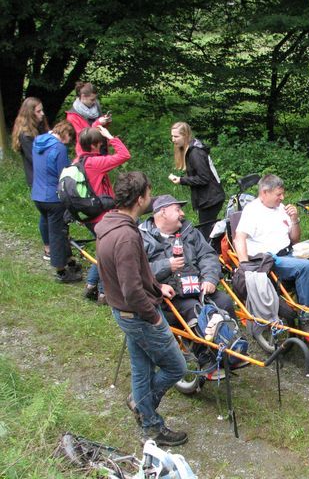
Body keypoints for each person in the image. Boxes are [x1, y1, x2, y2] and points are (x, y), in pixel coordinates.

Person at [95, 172, 188, 446]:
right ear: (139, 199)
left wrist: (157, 287)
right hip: (136, 313)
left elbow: (139, 269)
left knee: (141, 368)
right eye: (149, 193)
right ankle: (148, 417)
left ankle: (142, 406)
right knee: (176, 367)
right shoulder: (125, 235)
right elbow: (131, 288)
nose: (152, 197)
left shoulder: (112, 223)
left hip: (124, 311)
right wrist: (153, 317)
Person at [234, 174, 309, 330]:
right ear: (265, 192)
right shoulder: (252, 210)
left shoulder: (281, 208)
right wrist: (244, 265)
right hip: (269, 259)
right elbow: (239, 238)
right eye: (278, 194)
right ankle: (306, 316)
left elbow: (295, 239)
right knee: (305, 266)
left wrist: (294, 219)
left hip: (290, 252)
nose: (282, 197)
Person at [139, 194, 237, 327]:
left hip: (199, 287)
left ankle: (233, 341)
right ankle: (207, 347)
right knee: (195, 310)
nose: (182, 213)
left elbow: (207, 255)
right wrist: (166, 266)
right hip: (171, 297)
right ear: (163, 212)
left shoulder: (190, 232)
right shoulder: (142, 238)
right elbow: (137, 270)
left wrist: (209, 277)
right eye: (177, 209)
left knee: (224, 301)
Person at [77, 126, 131, 304]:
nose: (102, 146)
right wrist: (111, 136)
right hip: (101, 216)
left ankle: (92, 285)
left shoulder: (79, 160)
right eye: (101, 144)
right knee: (109, 253)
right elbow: (124, 155)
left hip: (89, 213)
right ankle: (103, 293)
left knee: (102, 250)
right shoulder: (95, 163)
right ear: (94, 145)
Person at [31, 121, 82, 283]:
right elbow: (63, 173)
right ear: (65, 133)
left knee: (55, 228)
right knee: (58, 233)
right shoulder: (58, 147)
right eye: (70, 138)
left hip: (38, 194)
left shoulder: (38, 141)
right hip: (53, 197)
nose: (68, 143)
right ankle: (61, 271)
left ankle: (69, 260)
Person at [169, 122, 225, 240]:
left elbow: (204, 178)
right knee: (208, 231)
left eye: (176, 136)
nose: (173, 139)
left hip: (211, 199)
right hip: (208, 198)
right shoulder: (191, 148)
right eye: (172, 136)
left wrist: (181, 180)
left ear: (186, 135)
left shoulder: (195, 153)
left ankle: (211, 255)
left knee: (206, 235)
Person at [12, 97, 51, 260]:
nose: (42, 114)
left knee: (52, 212)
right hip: (37, 178)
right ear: (30, 113)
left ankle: (56, 240)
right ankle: (48, 246)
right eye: (38, 111)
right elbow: (35, 159)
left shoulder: (40, 126)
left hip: (47, 175)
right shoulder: (25, 135)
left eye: (42, 110)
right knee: (46, 212)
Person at [66, 81, 112, 157]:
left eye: (95, 99)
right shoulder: (72, 116)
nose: (94, 102)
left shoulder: (96, 105)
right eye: (92, 99)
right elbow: (83, 138)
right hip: (87, 154)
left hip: (101, 147)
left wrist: (106, 121)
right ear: (83, 96)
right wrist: (98, 123)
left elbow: (101, 128)